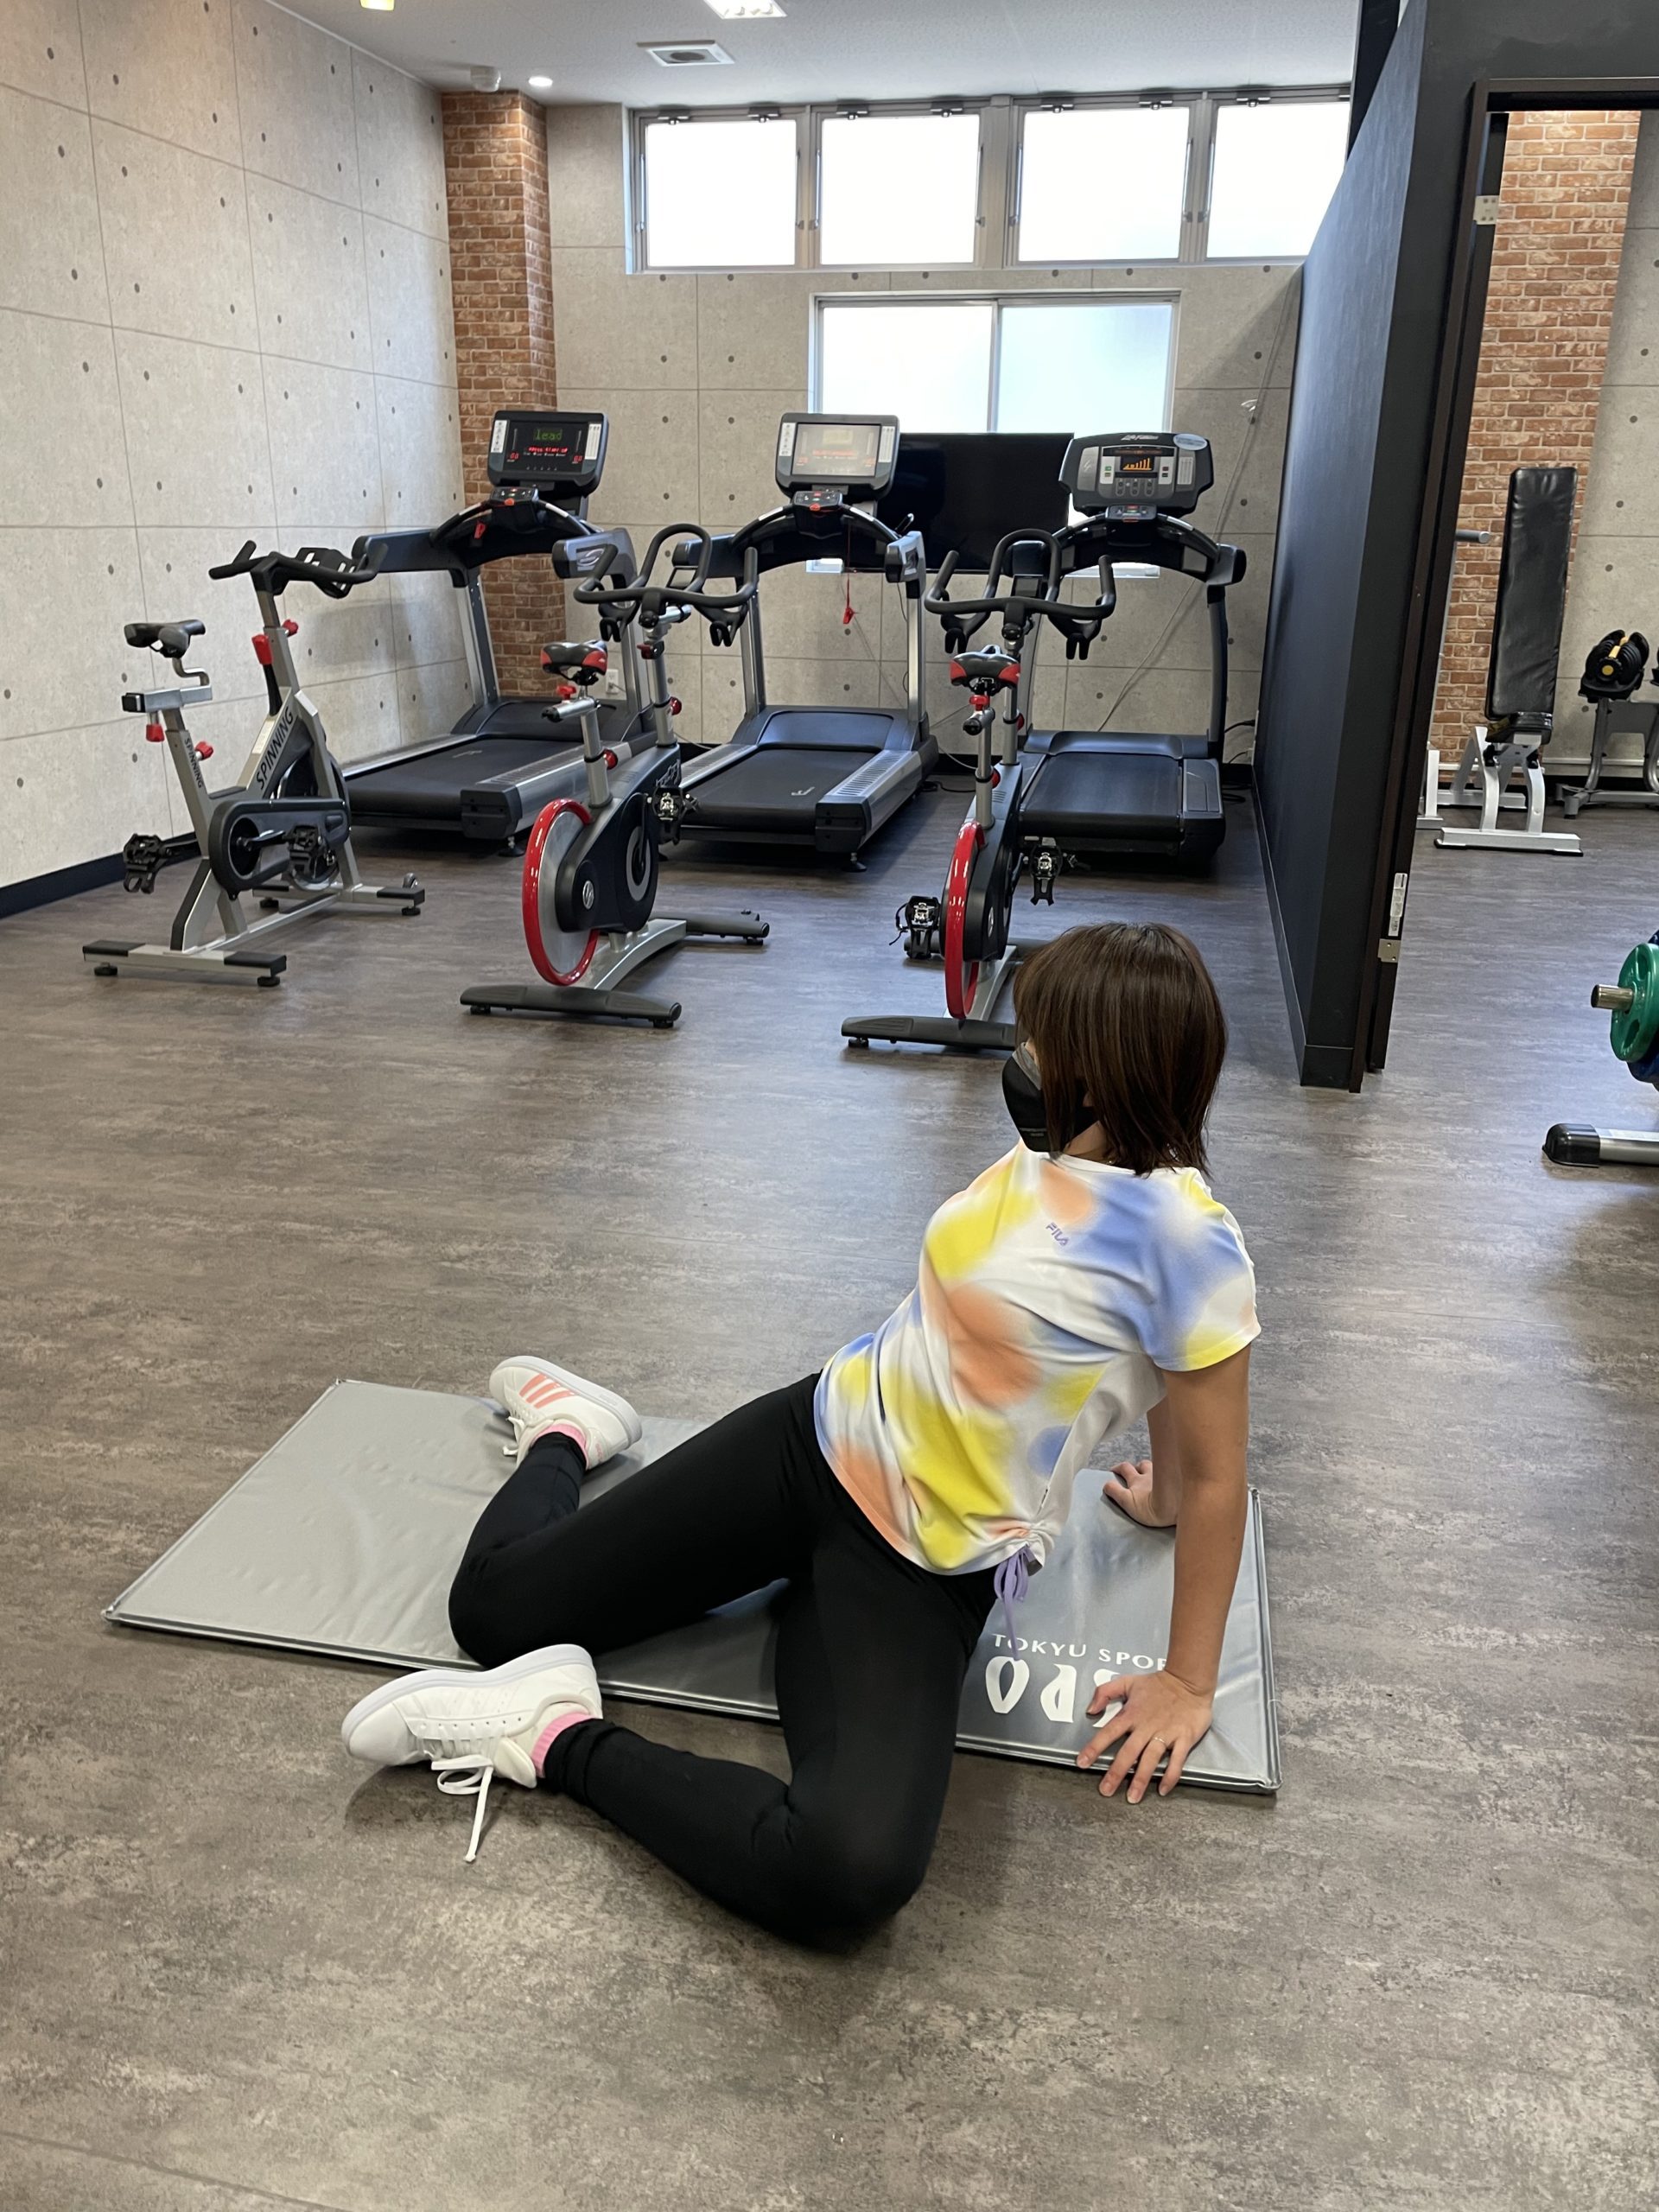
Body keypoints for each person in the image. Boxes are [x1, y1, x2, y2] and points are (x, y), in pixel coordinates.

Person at [342, 922, 1259, 1944]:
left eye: (1045, 1048)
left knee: (848, 1874)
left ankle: (552, 1733)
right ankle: (568, 1431)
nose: (1024, 1062)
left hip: (920, 1566)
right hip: (812, 1444)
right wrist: (1156, 1491)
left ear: (1110, 1077)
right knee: (491, 1610)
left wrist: (1188, 1678)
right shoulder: (1053, 1150)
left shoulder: (1190, 1245)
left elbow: (1216, 1464)